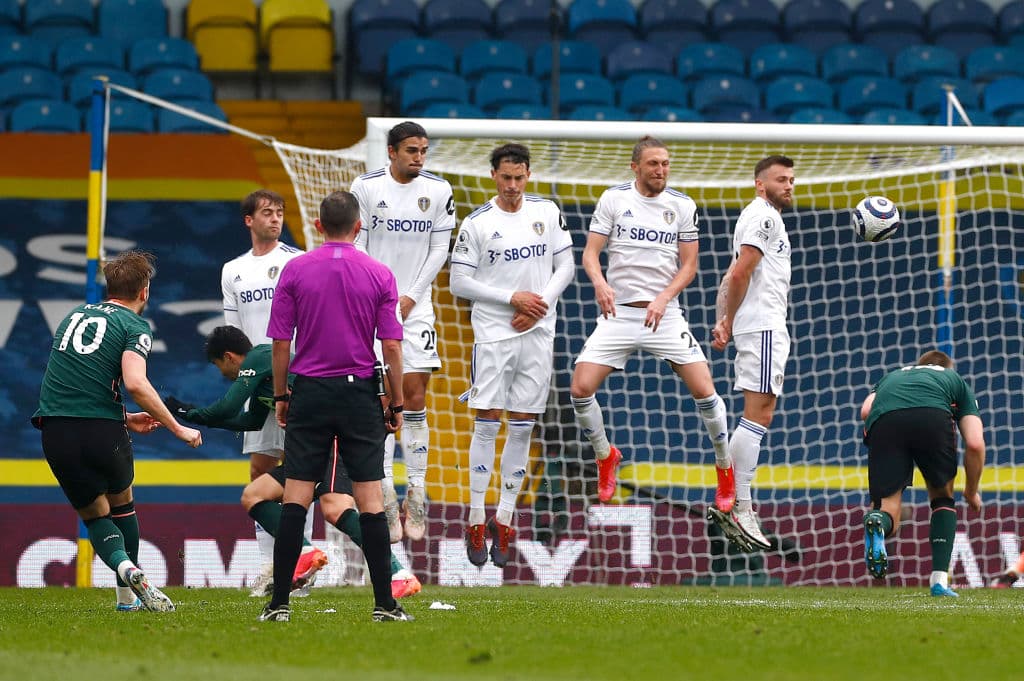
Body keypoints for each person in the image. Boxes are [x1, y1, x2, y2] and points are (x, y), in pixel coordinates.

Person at [165, 325, 421, 599]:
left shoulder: (258, 358)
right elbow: (250, 421)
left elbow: (227, 408)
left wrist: (186, 413)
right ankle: (305, 550)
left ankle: (397, 573)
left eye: (219, 366)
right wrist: (197, 417)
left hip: (333, 434)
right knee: (254, 495)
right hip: (310, 444)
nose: (223, 374)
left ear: (228, 357)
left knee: (335, 507)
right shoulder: (266, 376)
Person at [261, 190, 412, 623]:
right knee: (369, 498)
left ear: (319, 226)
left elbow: (280, 343)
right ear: (359, 227)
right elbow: (392, 346)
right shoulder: (379, 273)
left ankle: (279, 604)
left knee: (296, 497)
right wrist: (396, 401)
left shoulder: (295, 269)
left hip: (309, 391)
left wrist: (282, 396)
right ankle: (385, 605)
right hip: (358, 393)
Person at [569, 136, 733, 516]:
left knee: (705, 391)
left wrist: (663, 298)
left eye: (665, 164)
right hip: (619, 315)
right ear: (636, 166)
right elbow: (591, 254)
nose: (661, 170)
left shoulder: (682, 205)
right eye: (653, 164)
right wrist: (600, 284)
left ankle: (725, 468)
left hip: (665, 315)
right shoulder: (614, 199)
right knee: (580, 389)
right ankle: (605, 456)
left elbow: (689, 265)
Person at [33, 250, 203, 612]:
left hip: (55, 430)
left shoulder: (73, 317)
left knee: (95, 515)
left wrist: (124, 417)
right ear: (144, 292)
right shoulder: (134, 325)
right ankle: (127, 596)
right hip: (102, 432)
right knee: (122, 503)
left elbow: (71, 388)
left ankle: (126, 570)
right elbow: (136, 383)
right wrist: (176, 428)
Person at [449, 143, 574, 568]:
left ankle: (503, 518)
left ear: (528, 175)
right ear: (493, 176)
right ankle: (475, 518)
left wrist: (538, 304)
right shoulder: (477, 223)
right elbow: (459, 282)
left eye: (519, 177)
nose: (513, 186)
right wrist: (512, 298)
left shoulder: (547, 212)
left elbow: (566, 267)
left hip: (537, 332)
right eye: (506, 177)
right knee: (487, 421)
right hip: (493, 335)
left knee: (523, 426)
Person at [350, 121, 456, 543]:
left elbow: (439, 249)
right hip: (372, 307)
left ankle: (416, 489)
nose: (419, 157)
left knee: (413, 394)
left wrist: (410, 297)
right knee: (379, 401)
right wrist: (381, 294)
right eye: (412, 150)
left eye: (424, 151)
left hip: (417, 307)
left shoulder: (439, 190)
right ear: (392, 151)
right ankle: (385, 492)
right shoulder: (366, 187)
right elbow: (357, 245)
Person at [220, 188, 307, 596]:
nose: (275, 218)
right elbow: (234, 335)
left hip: (297, 382)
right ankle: (271, 568)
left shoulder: (296, 261)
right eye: (267, 212)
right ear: (249, 220)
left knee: (299, 475)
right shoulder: (232, 270)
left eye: (279, 212)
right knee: (260, 472)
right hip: (259, 387)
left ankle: (299, 568)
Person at [709, 155, 795, 552]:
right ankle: (738, 504)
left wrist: (723, 319)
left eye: (791, 179)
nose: (788, 185)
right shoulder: (763, 217)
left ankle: (733, 500)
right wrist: (729, 319)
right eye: (780, 179)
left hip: (759, 325)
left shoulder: (760, 217)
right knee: (758, 413)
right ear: (760, 184)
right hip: (763, 326)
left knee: (760, 413)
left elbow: (731, 274)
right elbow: (741, 272)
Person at [859, 350, 985, 597]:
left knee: (887, 508)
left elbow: (866, 411)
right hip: (932, 418)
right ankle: (939, 582)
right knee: (942, 498)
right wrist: (971, 492)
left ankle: (878, 522)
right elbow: (974, 443)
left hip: (886, 422)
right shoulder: (954, 380)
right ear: (948, 367)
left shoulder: (892, 376)